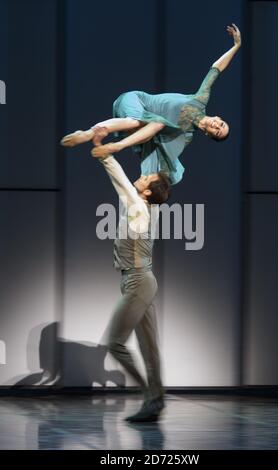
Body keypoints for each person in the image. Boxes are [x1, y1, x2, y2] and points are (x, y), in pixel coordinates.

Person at [61, 24, 241, 185]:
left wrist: (151, 182)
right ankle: (97, 137)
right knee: (144, 122)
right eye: (221, 124)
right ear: (218, 118)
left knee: (147, 124)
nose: (217, 126)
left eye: (217, 131)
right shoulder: (200, 100)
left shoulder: (185, 136)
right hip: (135, 100)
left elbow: (161, 155)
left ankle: (98, 137)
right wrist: (236, 46)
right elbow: (216, 69)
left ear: (208, 134)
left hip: (139, 124)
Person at [95, 151, 171, 422]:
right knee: (150, 348)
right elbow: (149, 177)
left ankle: (150, 393)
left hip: (138, 281)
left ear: (148, 193)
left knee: (115, 344)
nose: (142, 176)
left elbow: (121, 182)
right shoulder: (149, 207)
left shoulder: (139, 207)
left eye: (147, 178)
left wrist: (105, 156)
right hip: (142, 280)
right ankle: (155, 400)